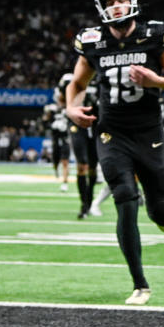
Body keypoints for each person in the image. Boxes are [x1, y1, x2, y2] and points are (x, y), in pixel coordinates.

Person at [65, 0, 164, 305]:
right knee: (124, 197)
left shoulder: (155, 35)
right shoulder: (92, 40)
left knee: (161, 213)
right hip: (111, 132)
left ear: (132, 1)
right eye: (109, 2)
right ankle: (140, 283)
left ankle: (162, 210)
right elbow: (77, 84)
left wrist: (155, 79)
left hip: (149, 132)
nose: (115, 5)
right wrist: (71, 109)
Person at [61, 72, 103, 219]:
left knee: (92, 168)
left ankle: (89, 202)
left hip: (96, 125)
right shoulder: (73, 80)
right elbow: (61, 100)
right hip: (77, 125)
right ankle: (84, 205)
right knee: (82, 165)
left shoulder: (102, 78)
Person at [43, 89, 71, 191]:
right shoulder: (52, 109)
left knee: (65, 162)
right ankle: (56, 171)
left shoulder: (68, 109)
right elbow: (45, 122)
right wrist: (49, 120)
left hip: (65, 139)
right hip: (55, 139)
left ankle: (64, 183)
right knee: (55, 161)